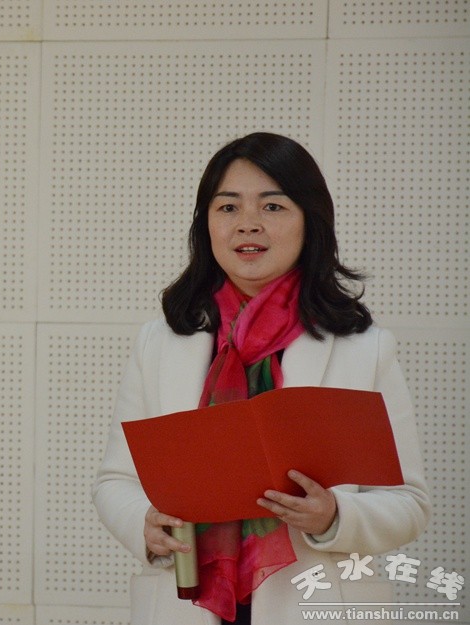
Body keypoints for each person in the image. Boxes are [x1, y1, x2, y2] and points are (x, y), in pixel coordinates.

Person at [92, 132, 430, 625]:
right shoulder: (160, 342)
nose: (247, 223)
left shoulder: (363, 348)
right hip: (188, 602)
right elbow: (116, 481)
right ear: (206, 224)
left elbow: (409, 503)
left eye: (273, 206)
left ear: (310, 221)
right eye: (228, 207)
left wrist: (334, 516)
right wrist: (142, 523)